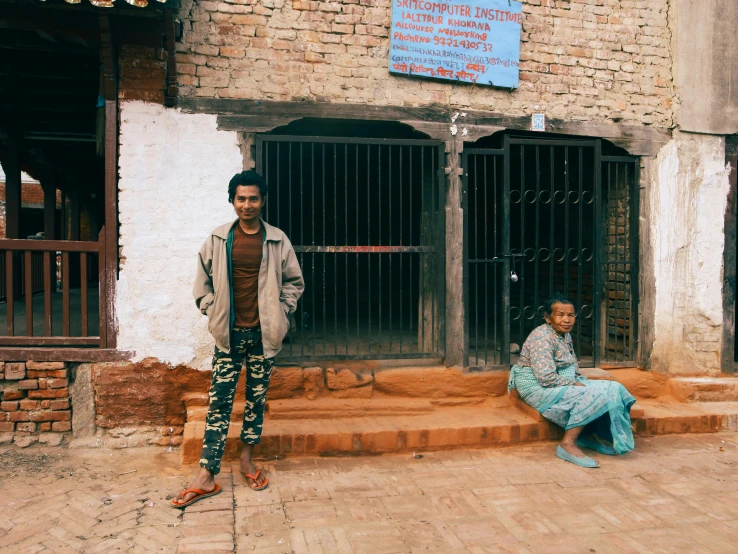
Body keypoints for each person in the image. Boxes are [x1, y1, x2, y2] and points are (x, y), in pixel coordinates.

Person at [172, 170, 304, 508]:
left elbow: (294, 281)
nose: (247, 204)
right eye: (241, 198)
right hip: (229, 336)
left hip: (264, 335)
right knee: (219, 403)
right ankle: (207, 475)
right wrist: (212, 309)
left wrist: (282, 312)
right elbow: (202, 282)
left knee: (256, 402)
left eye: (253, 198)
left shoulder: (276, 240)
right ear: (232, 201)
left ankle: (247, 460)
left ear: (263, 201)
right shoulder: (218, 239)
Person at [508, 293, 636, 468]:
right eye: (560, 315)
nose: (566, 320)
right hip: (536, 386)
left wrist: (576, 379)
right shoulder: (542, 338)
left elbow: (570, 364)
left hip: (561, 380)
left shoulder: (564, 334)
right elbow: (545, 377)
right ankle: (567, 444)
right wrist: (573, 383)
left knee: (614, 388)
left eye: (570, 315)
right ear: (547, 318)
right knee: (590, 395)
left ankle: (589, 435)